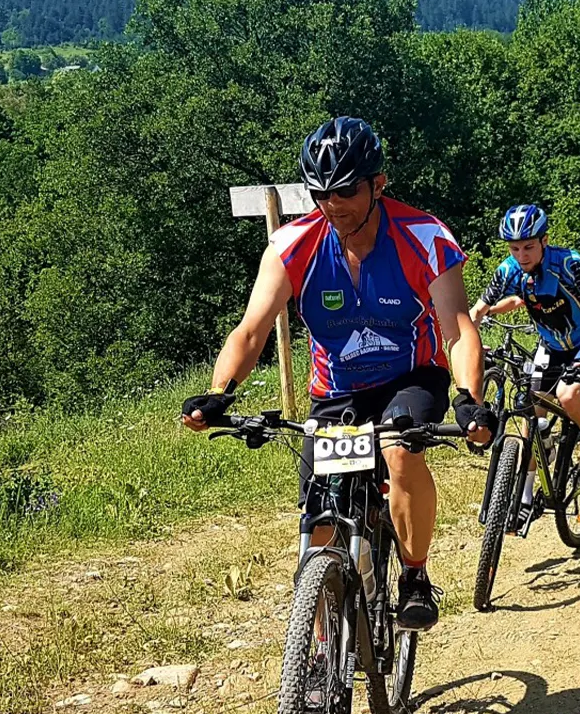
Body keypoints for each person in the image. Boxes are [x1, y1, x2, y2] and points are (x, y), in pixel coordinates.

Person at [180, 117, 494, 633]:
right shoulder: (292, 245)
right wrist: (219, 393)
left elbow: (457, 328)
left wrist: (468, 398)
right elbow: (251, 330)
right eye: (319, 192)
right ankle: (319, 652)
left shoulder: (423, 236)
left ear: (379, 182)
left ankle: (414, 575)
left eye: (346, 190)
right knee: (320, 520)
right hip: (337, 390)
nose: (332, 204)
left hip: (410, 377)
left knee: (398, 446)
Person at [470, 204, 580, 482]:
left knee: (567, 395)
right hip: (551, 345)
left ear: (544, 241)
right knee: (531, 416)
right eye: (514, 249)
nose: (521, 256)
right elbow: (476, 312)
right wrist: (468, 344)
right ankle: (525, 494)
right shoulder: (508, 270)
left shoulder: (570, 264)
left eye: (528, 247)